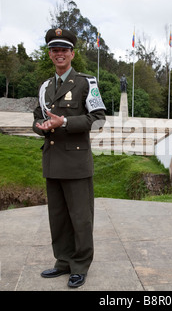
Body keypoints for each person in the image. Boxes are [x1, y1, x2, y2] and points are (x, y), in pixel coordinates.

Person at [32, 28, 106, 288]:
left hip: (76, 163)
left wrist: (64, 122)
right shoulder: (45, 87)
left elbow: (98, 122)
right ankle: (62, 262)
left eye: (64, 49)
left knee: (80, 218)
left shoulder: (87, 83)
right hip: (52, 161)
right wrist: (41, 126)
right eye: (54, 50)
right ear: (50, 54)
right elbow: (36, 119)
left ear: (72, 54)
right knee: (59, 217)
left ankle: (80, 265)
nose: (59, 54)